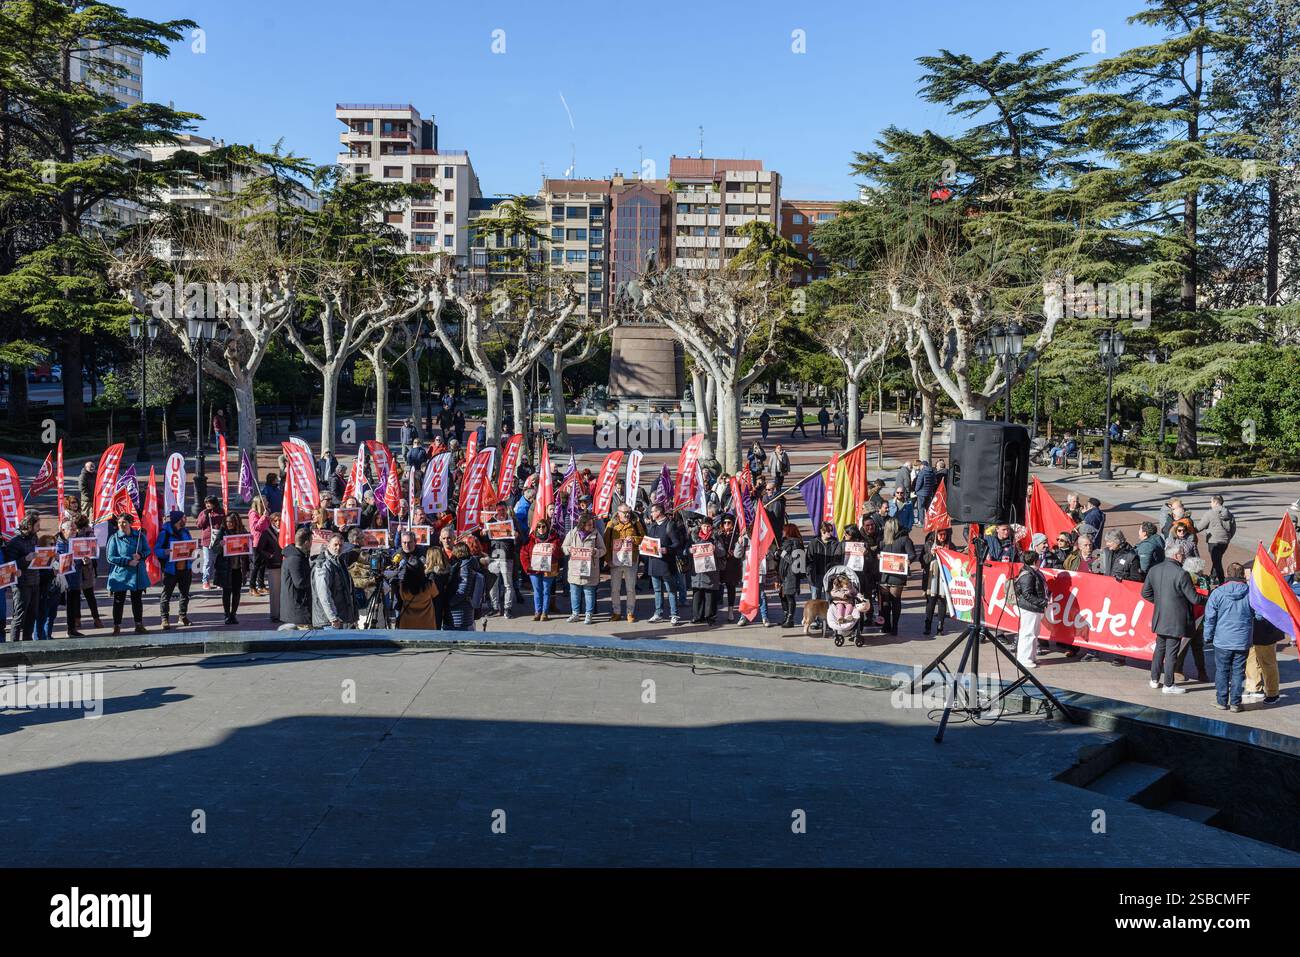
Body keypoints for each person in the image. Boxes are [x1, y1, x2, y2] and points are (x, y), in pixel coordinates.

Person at [1141, 547, 1201, 694]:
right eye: (1182, 554)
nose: (1184, 556)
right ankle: (1168, 684)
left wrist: (1160, 602)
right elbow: (1194, 598)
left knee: (1160, 648)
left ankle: (1154, 679)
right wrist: (1210, 598)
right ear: (1176, 555)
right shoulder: (1182, 574)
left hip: (1160, 616)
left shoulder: (1154, 569)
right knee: (1171, 652)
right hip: (1176, 619)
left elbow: (1145, 593)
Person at [1202, 562, 1253, 712]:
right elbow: (1259, 615)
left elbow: (1210, 618)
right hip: (1242, 640)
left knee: (1222, 670)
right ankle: (1236, 703)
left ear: (1227, 573)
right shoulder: (1251, 593)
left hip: (1222, 639)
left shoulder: (1218, 593)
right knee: (1238, 671)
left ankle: (1222, 701)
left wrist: (1207, 636)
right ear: (1243, 575)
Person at [106, 513, 150, 636]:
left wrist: (140, 555)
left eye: (124, 522)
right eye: (119, 523)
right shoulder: (114, 538)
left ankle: (139, 624)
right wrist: (127, 561)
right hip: (121, 575)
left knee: (137, 600)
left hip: (137, 575)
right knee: (119, 601)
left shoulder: (140, 536)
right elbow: (110, 557)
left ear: (130, 523)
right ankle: (117, 626)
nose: (121, 525)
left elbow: (147, 550)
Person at [643, 503, 684, 625]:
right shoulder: (653, 526)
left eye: (652, 511)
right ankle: (658, 613)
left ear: (659, 512)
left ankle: (674, 614)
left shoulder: (670, 525)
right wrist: (644, 547)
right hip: (654, 563)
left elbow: (677, 544)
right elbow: (649, 541)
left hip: (666, 564)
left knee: (671, 590)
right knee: (657, 590)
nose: (651, 514)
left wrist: (667, 549)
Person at [563, 512, 606, 625]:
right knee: (574, 592)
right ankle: (575, 613)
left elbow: (603, 550)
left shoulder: (596, 535)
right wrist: (569, 550)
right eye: (589, 525)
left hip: (590, 570)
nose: (591, 527)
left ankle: (589, 614)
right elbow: (564, 546)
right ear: (582, 525)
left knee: (589, 592)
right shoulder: (572, 533)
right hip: (575, 569)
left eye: (592, 524)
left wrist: (596, 552)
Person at [604, 502, 644, 622]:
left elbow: (643, 538)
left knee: (630, 588)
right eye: (624, 512)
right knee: (615, 588)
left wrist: (634, 539)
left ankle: (630, 612)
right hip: (615, 562)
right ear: (618, 512)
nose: (626, 515)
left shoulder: (635, 523)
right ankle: (616, 612)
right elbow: (606, 543)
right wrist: (608, 560)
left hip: (631, 561)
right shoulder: (611, 525)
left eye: (628, 512)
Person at [155, 510, 195, 630]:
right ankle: (165, 619)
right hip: (171, 570)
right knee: (166, 595)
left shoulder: (185, 531)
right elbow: (157, 550)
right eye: (183, 518)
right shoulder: (165, 533)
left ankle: (182, 616)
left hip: (185, 568)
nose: (186, 520)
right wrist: (165, 552)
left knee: (185, 594)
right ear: (178, 520)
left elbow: (190, 546)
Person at [878, 517, 917, 636]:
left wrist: (908, 560)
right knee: (885, 601)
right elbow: (879, 552)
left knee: (895, 600)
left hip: (897, 575)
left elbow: (912, 554)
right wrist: (879, 556)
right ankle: (886, 624)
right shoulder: (883, 540)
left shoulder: (905, 539)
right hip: (885, 574)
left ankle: (895, 626)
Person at [312, 532, 359, 629]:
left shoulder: (339, 561)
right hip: (330, 621)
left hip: (341, 617)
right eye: (335, 545)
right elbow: (323, 593)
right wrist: (332, 617)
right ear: (328, 545)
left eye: (340, 545)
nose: (338, 547)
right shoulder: (324, 564)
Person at [4, 517, 39, 641]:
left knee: (32, 614)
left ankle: (28, 642)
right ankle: (14, 645)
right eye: (36, 525)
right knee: (19, 616)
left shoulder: (34, 537)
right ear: (29, 526)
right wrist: (25, 559)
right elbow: (9, 563)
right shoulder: (14, 542)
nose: (38, 527)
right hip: (21, 584)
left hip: (35, 580)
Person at [212, 511, 250, 625]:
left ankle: (233, 614)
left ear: (236, 522)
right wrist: (220, 545)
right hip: (226, 568)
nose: (229, 524)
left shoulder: (242, 532)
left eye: (232, 522)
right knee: (226, 592)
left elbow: (247, 550)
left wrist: (249, 542)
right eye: (227, 521)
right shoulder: (223, 532)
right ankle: (227, 614)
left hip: (238, 567)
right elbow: (214, 548)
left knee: (237, 592)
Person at [521, 517, 563, 621]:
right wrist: (527, 567)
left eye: (543, 526)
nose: (541, 528)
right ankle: (537, 612)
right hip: (534, 570)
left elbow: (560, 554)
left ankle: (545, 612)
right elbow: (523, 553)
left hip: (548, 569)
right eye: (538, 526)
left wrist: (555, 549)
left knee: (546, 591)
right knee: (537, 591)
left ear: (547, 528)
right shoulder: (530, 539)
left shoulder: (555, 539)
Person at [1013, 549, 1048, 669]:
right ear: (1035, 561)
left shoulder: (1033, 572)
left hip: (1035, 607)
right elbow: (1027, 594)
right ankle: (1024, 658)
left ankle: (1031, 656)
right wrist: (1042, 602)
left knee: (1034, 633)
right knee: (1027, 633)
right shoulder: (1028, 574)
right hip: (1030, 608)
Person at [687, 516, 724, 624]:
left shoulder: (716, 538)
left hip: (710, 572)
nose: (706, 528)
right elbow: (685, 549)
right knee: (697, 594)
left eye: (708, 526)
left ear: (711, 527)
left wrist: (715, 549)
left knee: (709, 595)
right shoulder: (694, 537)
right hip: (697, 572)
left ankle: (710, 617)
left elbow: (722, 552)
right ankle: (697, 616)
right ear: (701, 526)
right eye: (704, 526)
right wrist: (690, 550)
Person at [54, 518, 86, 638]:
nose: (74, 531)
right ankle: (46, 632)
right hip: (62, 580)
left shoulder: (78, 541)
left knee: (74, 605)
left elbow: (83, 556)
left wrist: (85, 560)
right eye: (71, 529)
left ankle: (72, 629)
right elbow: (55, 560)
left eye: (75, 528)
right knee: (54, 606)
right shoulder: (57, 543)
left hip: (75, 579)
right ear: (63, 530)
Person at [1195, 494, 1236, 584]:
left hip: (1214, 540)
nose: (1210, 503)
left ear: (1215, 502)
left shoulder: (1210, 513)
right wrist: (1228, 538)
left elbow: (1200, 527)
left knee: (1217, 561)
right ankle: (1212, 576)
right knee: (1217, 559)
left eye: (1211, 501)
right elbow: (1233, 528)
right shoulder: (1229, 513)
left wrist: (1191, 529)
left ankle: (1222, 580)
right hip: (1225, 541)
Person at [921, 526, 952, 636]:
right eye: (940, 534)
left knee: (942, 602)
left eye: (944, 534)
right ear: (936, 535)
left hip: (944, 577)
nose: (942, 537)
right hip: (932, 578)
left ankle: (940, 626)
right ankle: (927, 625)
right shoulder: (929, 544)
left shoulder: (950, 546)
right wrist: (931, 554)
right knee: (931, 602)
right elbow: (923, 560)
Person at [1244, 615, 1283, 705]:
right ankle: (1254, 688)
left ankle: (1273, 693)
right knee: (1251, 660)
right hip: (1251, 629)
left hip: (1267, 629)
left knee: (1267, 662)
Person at [281, 527, 313, 630]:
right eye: (311, 540)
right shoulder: (295, 559)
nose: (312, 543)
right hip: (298, 610)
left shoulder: (298, 556)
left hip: (297, 609)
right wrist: (314, 577)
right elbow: (300, 583)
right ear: (307, 542)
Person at [396, 554, 439, 629]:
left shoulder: (403, 585)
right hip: (427, 623)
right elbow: (435, 594)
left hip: (407, 622)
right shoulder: (429, 584)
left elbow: (402, 598)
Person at [808, 522, 843, 609]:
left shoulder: (835, 543)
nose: (829, 533)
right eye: (827, 531)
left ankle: (830, 617)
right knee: (816, 598)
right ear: (821, 531)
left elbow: (838, 559)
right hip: (816, 575)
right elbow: (809, 559)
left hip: (830, 575)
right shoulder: (814, 543)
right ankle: (817, 618)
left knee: (830, 598)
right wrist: (809, 573)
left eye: (831, 531)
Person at [195, 496, 225, 590]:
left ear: (214, 503)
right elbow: (199, 525)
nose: (207, 505)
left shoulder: (221, 512)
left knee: (218, 562)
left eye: (209, 503)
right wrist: (205, 515)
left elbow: (224, 525)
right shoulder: (203, 512)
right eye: (206, 503)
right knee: (208, 562)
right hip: (207, 541)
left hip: (218, 541)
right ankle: (205, 581)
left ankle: (218, 581)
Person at [259, 512, 285, 623]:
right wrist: (269, 555)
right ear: (271, 521)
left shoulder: (286, 532)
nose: (278, 523)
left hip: (285, 565)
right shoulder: (267, 533)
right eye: (275, 520)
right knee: (274, 591)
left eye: (280, 520)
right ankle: (275, 615)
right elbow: (259, 548)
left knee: (284, 591)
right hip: (273, 565)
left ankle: (284, 613)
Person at [247, 497, 272, 595]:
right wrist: (263, 517)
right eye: (265, 502)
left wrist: (266, 516)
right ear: (260, 503)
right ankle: (252, 587)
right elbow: (256, 527)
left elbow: (266, 526)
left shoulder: (262, 512)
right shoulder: (253, 513)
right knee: (256, 565)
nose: (267, 502)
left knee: (262, 564)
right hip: (256, 542)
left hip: (264, 540)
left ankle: (261, 585)